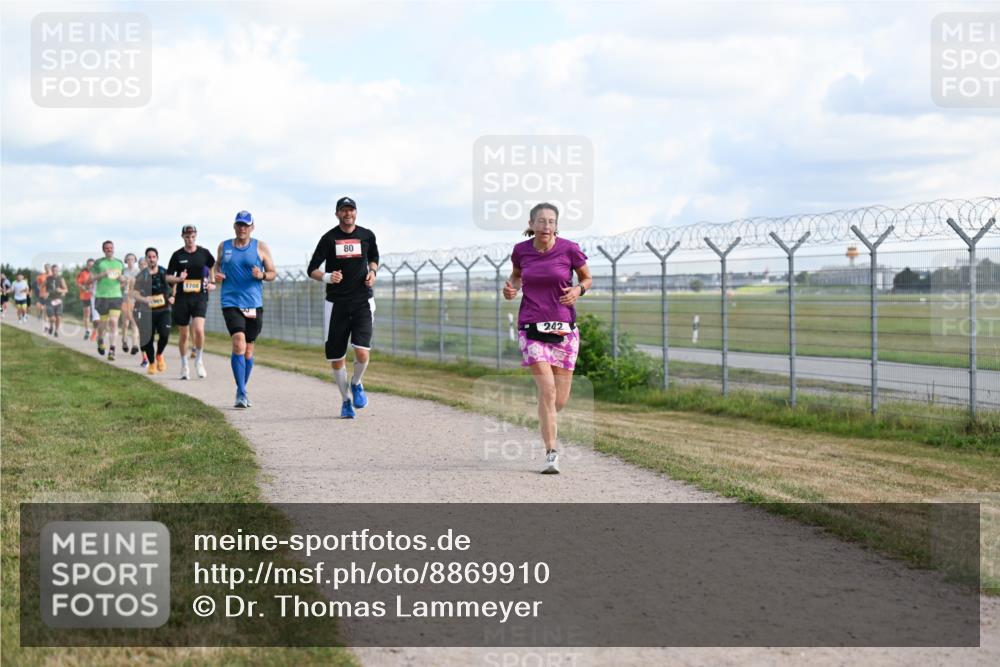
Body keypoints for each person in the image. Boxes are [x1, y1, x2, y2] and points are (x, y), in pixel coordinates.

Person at [502, 202, 592, 474]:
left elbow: (586, 278)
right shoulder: (521, 251)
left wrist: (578, 291)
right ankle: (551, 454)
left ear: (556, 225)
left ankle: (545, 417)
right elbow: (516, 277)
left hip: (564, 330)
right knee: (548, 391)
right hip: (531, 328)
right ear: (531, 224)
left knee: (558, 400)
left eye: (551, 221)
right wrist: (511, 289)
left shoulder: (570, 249)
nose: (546, 226)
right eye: (541, 221)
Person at [307, 196, 380, 419]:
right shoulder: (329, 239)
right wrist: (328, 277)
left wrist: (372, 272)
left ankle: (356, 383)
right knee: (337, 357)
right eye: (344, 210)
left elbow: (374, 257)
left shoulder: (366, 235)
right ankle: (346, 400)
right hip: (336, 304)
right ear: (337, 213)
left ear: (356, 212)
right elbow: (312, 269)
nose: (348, 213)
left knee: (362, 351)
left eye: (351, 210)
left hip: (362, 301)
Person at [213, 211, 276, 408]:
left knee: (248, 351)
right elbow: (216, 266)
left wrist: (262, 275)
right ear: (234, 226)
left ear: (252, 227)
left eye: (246, 225)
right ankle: (241, 392)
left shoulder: (260, 247)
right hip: (231, 301)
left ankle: (242, 388)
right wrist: (216, 275)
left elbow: (272, 273)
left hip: (253, 303)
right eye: (239, 224)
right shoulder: (224, 246)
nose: (242, 228)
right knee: (238, 343)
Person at [166, 225, 215, 380]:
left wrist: (212, 282)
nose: (190, 239)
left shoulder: (204, 253)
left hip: (200, 296)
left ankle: (199, 360)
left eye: (192, 236)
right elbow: (167, 277)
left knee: (199, 330)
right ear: (183, 237)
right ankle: (184, 365)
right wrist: (178, 278)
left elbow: (212, 266)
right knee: (184, 334)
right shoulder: (177, 255)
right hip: (182, 298)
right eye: (187, 236)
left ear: (196, 236)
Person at [132, 247, 174, 375]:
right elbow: (134, 293)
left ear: (157, 258)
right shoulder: (141, 275)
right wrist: (144, 299)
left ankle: (159, 355)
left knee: (165, 334)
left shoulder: (164, 272)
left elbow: (175, 284)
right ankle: (151, 363)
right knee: (148, 339)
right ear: (146, 259)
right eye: (149, 257)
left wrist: (173, 296)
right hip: (147, 311)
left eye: (154, 257)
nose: (151, 259)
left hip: (164, 310)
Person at [92, 240, 126, 361]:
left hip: (116, 296)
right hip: (101, 296)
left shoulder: (119, 263)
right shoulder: (98, 263)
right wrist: (103, 274)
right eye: (107, 248)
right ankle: (100, 339)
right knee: (103, 323)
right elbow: (91, 278)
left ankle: (112, 349)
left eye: (111, 248)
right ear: (103, 250)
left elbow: (123, 279)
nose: (109, 249)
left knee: (113, 321)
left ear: (113, 249)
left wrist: (122, 279)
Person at [120, 253, 141, 356]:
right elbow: (119, 285)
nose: (130, 261)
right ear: (126, 261)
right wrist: (125, 282)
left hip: (135, 298)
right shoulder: (123, 271)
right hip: (125, 297)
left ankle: (135, 345)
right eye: (128, 259)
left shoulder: (139, 271)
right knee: (125, 322)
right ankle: (124, 340)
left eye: (132, 259)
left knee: (134, 322)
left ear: (135, 260)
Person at [44, 264, 69, 337]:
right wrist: (45, 293)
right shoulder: (48, 278)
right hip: (49, 300)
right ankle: (51, 326)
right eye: (53, 270)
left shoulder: (61, 279)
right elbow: (41, 286)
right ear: (51, 271)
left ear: (58, 271)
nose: (55, 272)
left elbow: (66, 290)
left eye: (56, 270)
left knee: (58, 317)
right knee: (52, 318)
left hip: (58, 300)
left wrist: (61, 291)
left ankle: (56, 331)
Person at [75, 259, 96, 340]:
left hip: (95, 296)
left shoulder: (97, 273)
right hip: (85, 296)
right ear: (87, 265)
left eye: (92, 265)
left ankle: (95, 331)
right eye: (89, 265)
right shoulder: (83, 273)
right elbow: (78, 283)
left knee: (95, 315)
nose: (91, 266)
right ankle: (87, 330)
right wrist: (84, 288)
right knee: (87, 313)